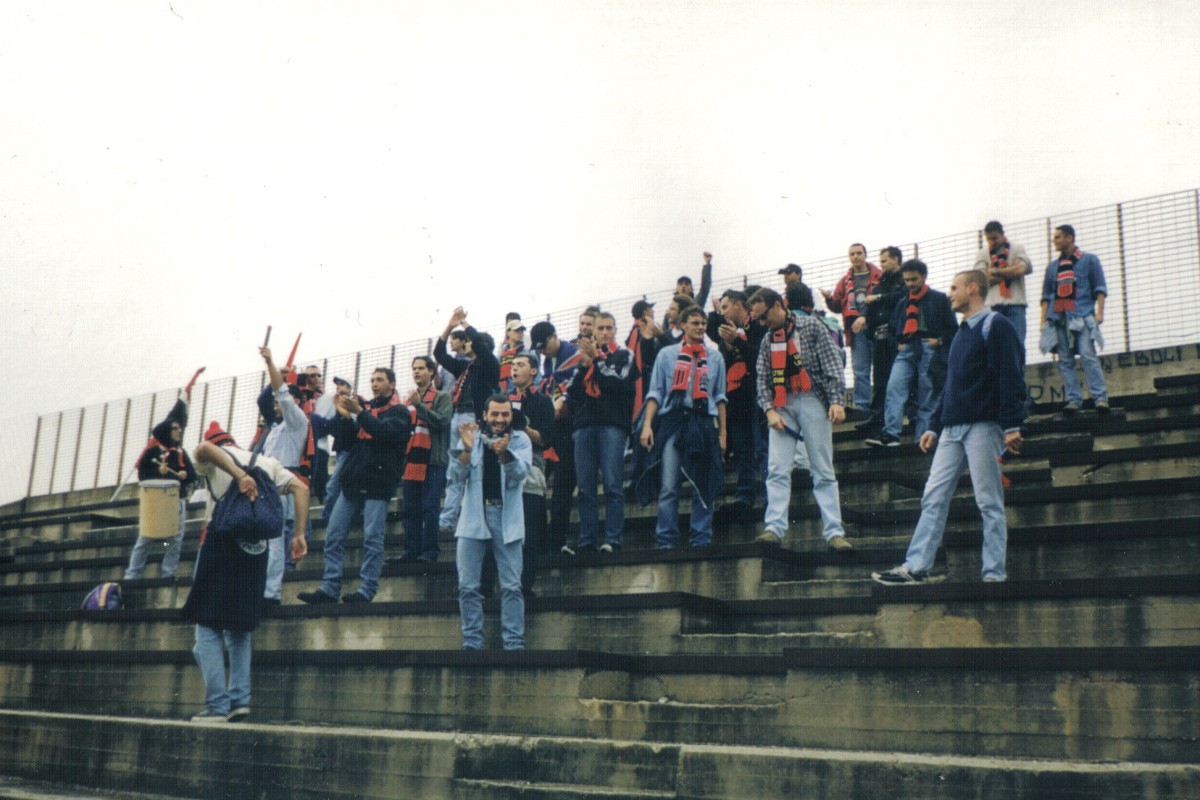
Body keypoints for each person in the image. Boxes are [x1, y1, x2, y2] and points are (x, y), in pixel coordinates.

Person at [872, 269, 1026, 585]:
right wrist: (933, 426)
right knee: (933, 496)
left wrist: (1012, 424)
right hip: (952, 430)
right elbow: (950, 385)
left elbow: (1010, 377)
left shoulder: (996, 326)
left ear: (972, 289)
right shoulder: (961, 334)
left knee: (988, 501)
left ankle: (994, 574)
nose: (950, 293)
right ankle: (915, 568)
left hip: (983, 427)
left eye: (954, 287)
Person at [182, 423, 308, 723]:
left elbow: (204, 449)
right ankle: (240, 700)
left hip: (220, 545)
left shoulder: (216, 458)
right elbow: (301, 488)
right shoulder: (266, 461)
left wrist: (240, 477)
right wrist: (299, 534)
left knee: (207, 627)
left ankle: (217, 705)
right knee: (239, 628)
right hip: (255, 551)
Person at [749, 289, 853, 551]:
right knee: (777, 468)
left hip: (811, 399)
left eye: (764, 317)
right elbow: (762, 379)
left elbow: (831, 364)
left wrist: (837, 401)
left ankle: (834, 532)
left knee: (822, 468)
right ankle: (774, 527)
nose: (763, 324)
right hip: (782, 403)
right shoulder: (767, 340)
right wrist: (769, 410)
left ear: (777, 306)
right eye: (759, 320)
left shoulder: (810, 326)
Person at [297, 367, 410, 604]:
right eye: (372, 379)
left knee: (372, 538)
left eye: (379, 379)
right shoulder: (367, 411)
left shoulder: (401, 412)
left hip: (379, 484)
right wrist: (345, 417)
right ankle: (329, 587)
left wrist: (358, 411)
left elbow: (383, 432)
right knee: (334, 534)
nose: (374, 383)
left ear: (392, 384)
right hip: (354, 481)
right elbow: (347, 441)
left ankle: (367, 589)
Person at [639, 306, 727, 549]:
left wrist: (723, 433)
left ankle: (701, 538)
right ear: (684, 325)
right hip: (674, 421)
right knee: (669, 485)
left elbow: (720, 397)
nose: (700, 327)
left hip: (703, 422)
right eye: (695, 323)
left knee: (704, 483)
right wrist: (647, 425)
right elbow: (655, 392)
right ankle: (666, 539)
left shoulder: (715, 357)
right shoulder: (667, 354)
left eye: (703, 323)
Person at [451, 394, 532, 650]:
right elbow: (455, 475)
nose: (499, 419)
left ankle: (514, 643)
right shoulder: (471, 437)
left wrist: (505, 454)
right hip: (474, 515)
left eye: (505, 414)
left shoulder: (520, 439)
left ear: (511, 416)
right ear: (485, 415)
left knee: (511, 585)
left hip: (505, 517)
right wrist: (465, 448)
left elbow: (521, 473)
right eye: (494, 414)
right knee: (467, 585)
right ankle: (472, 641)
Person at [566, 311, 639, 553]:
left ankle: (613, 539)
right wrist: (586, 364)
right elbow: (572, 393)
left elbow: (618, 382)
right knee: (585, 488)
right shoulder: (582, 359)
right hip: (585, 426)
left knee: (612, 484)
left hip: (612, 426)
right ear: (593, 331)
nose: (605, 333)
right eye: (600, 329)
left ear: (615, 330)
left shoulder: (624, 354)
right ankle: (587, 540)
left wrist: (596, 361)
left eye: (609, 328)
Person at [866, 260, 957, 447]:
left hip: (928, 345)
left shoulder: (939, 299)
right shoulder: (903, 302)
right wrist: (897, 342)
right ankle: (891, 435)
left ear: (924, 277)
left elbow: (952, 328)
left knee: (927, 391)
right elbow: (893, 327)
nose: (910, 284)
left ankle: (922, 437)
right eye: (907, 280)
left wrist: (939, 341)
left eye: (914, 279)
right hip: (907, 346)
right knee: (894, 387)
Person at [433, 307, 501, 535]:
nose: (467, 344)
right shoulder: (466, 367)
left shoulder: (490, 364)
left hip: (472, 417)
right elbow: (439, 355)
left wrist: (464, 323)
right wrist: (450, 326)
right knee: (455, 469)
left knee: (467, 468)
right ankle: (448, 518)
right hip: (458, 416)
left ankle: (461, 518)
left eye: (471, 341)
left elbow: (481, 347)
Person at [255, 346, 312, 605]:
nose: (276, 405)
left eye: (282, 401)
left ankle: (271, 592)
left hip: (283, 481)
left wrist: (270, 363)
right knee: (266, 539)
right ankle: (263, 588)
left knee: (275, 539)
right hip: (265, 483)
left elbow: (281, 394)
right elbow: (266, 398)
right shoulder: (275, 427)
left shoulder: (297, 422)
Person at [124, 390, 197, 581]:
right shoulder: (152, 452)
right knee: (146, 537)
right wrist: (159, 473)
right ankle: (132, 574)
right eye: (175, 428)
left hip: (175, 501)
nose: (179, 431)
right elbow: (143, 475)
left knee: (174, 540)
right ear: (167, 431)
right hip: (156, 502)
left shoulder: (180, 452)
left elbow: (192, 475)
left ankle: (168, 573)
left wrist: (184, 475)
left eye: (180, 428)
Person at [1040, 224, 1109, 414]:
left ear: (1070, 238)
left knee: (1087, 354)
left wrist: (1100, 313)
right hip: (1059, 317)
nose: (1054, 240)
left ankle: (1100, 397)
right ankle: (1074, 399)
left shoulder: (1090, 260)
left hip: (1082, 313)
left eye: (1058, 237)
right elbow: (1046, 296)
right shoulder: (1053, 267)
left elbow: (1100, 288)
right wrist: (1043, 320)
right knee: (1065, 360)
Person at [528, 320, 584, 555]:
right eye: (538, 348)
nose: (541, 351)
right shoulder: (546, 361)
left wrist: (563, 402)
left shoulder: (573, 354)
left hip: (571, 427)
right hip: (553, 429)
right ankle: (544, 541)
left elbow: (573, 387)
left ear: (554, 336)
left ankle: (557, 540)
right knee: (541, 485)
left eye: (543, 345)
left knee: (562, 485)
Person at [716, 289, 766, 515]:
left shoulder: (757, 325)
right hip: (736, 399)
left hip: (757, 396)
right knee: (743, 452)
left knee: (761, 448)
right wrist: (728, 348)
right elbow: (724, 366)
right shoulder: (728, 333)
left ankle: (769, 496)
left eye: (726, 307)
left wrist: (738, 341)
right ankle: (744, 497)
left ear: (738, 304)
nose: (724, 312)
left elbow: (760, 358)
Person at [397, 356, 452, 563]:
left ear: (432, 371)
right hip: (412, 461)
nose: (416, 372)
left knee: (430, 507)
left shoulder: (442, 397)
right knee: (410, 508)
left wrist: (419, 406)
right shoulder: (407, 401)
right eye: (414, 368)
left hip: (434, 460)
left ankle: (430, 551)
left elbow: (442, 422)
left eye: (421, 368)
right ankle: (411, 550)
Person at [508, 353, 554, 591]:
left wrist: (521, 427)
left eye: (521, 365)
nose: (514, 369)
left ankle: (525, 586)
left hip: (532, 467)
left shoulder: (543, 401)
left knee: (530, 532)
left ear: (534, 371)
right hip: (505, 468)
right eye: (512, 365)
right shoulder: (503, 400)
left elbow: (545, 439)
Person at [820, 243, 882, 409]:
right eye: (852, 254)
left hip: (877, 327)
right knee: (860, 369)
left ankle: (880, 405)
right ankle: (862, 406)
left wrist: (866, 316)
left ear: (865, 255)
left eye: (858, 253)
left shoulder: (879, 276)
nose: (855, 256)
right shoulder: (845, 281)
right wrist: (828, 299)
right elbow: (837, 306)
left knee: (881, 368)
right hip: (857, 330)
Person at [857, 246, 907, 435]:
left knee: (897, 379)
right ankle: (877, 416)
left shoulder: (903, 280)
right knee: (879, 379)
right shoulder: (882, 282)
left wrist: (877, 297)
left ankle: (904, 416)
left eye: (885, 260)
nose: (882, 264)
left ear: (896, 259)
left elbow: (902, 296)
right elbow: (869, 305)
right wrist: (864, 317)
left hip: (896, 336)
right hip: (879, 337)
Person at [975, 221, 1033, 353]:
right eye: (989, 239)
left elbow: (1020, 270)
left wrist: (994, 271)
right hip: (992, 305)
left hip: (1015, 305)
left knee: (1017, 344)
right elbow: (980, 281)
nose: (992, 242)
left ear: (1002, 234)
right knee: (994, 347)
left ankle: (1017, 374)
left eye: (995, 238)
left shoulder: (1017, 248)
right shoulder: (983, 254)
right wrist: (1010, 271)